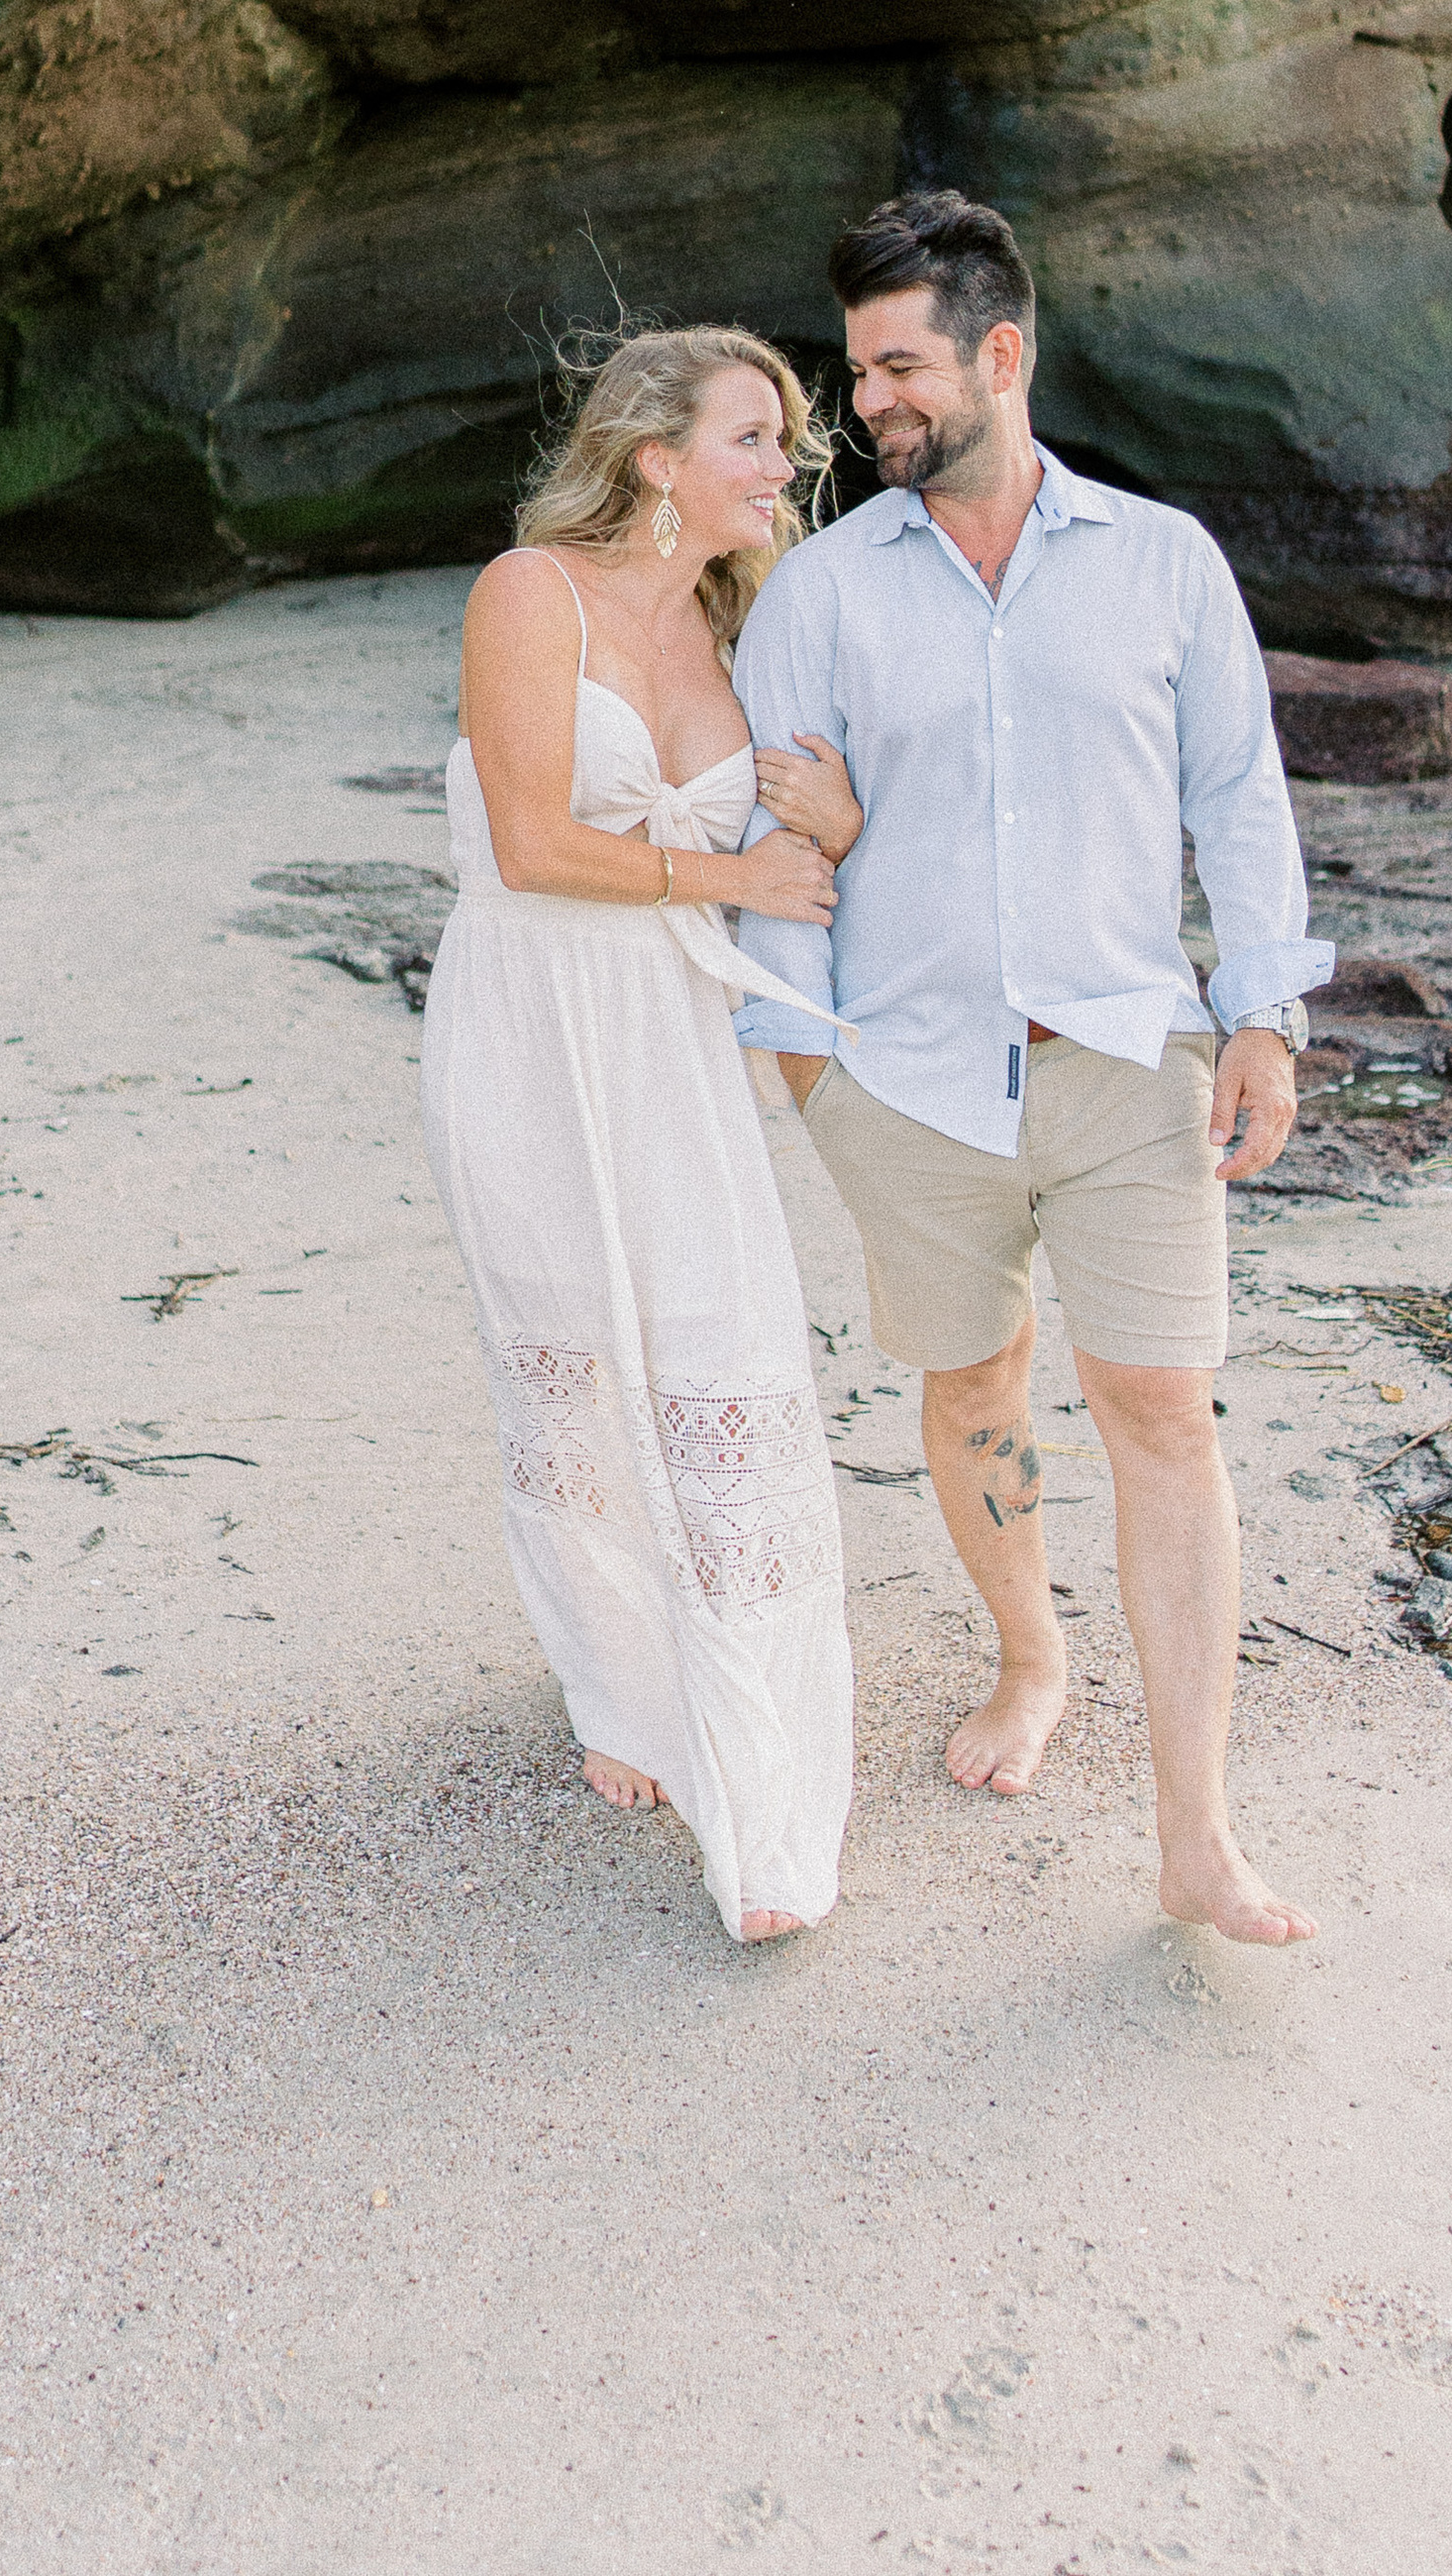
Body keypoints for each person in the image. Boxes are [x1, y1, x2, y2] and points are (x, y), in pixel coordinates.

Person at [733, 193, 1333, 1948]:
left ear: (1006, 355)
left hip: (1130, 1061)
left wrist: (1265, 1017)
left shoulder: (1164, 565)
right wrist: (804, 1071)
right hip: (902, 1082)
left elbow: (1244, 802)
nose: (874, 407)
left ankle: (1198, 1834)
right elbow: (780, 844)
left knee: (1163, 1411)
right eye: (859, 374)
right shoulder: (824, 593)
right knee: (976, 1390)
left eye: (902, 366)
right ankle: (1028, 1656)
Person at [421, 328, 866, 1944]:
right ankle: (620, 1690)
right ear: (657, 457)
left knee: (717, 1355)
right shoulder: (527, 594)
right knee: (570, 1353)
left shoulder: (747, 620)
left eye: (792, 438)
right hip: (534, 1022)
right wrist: (734, 878)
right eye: (756, 435)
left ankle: (757, 1758)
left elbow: (814, 815)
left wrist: (826, 828)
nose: (787, 465)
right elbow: (536, 841)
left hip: (679, 1039)